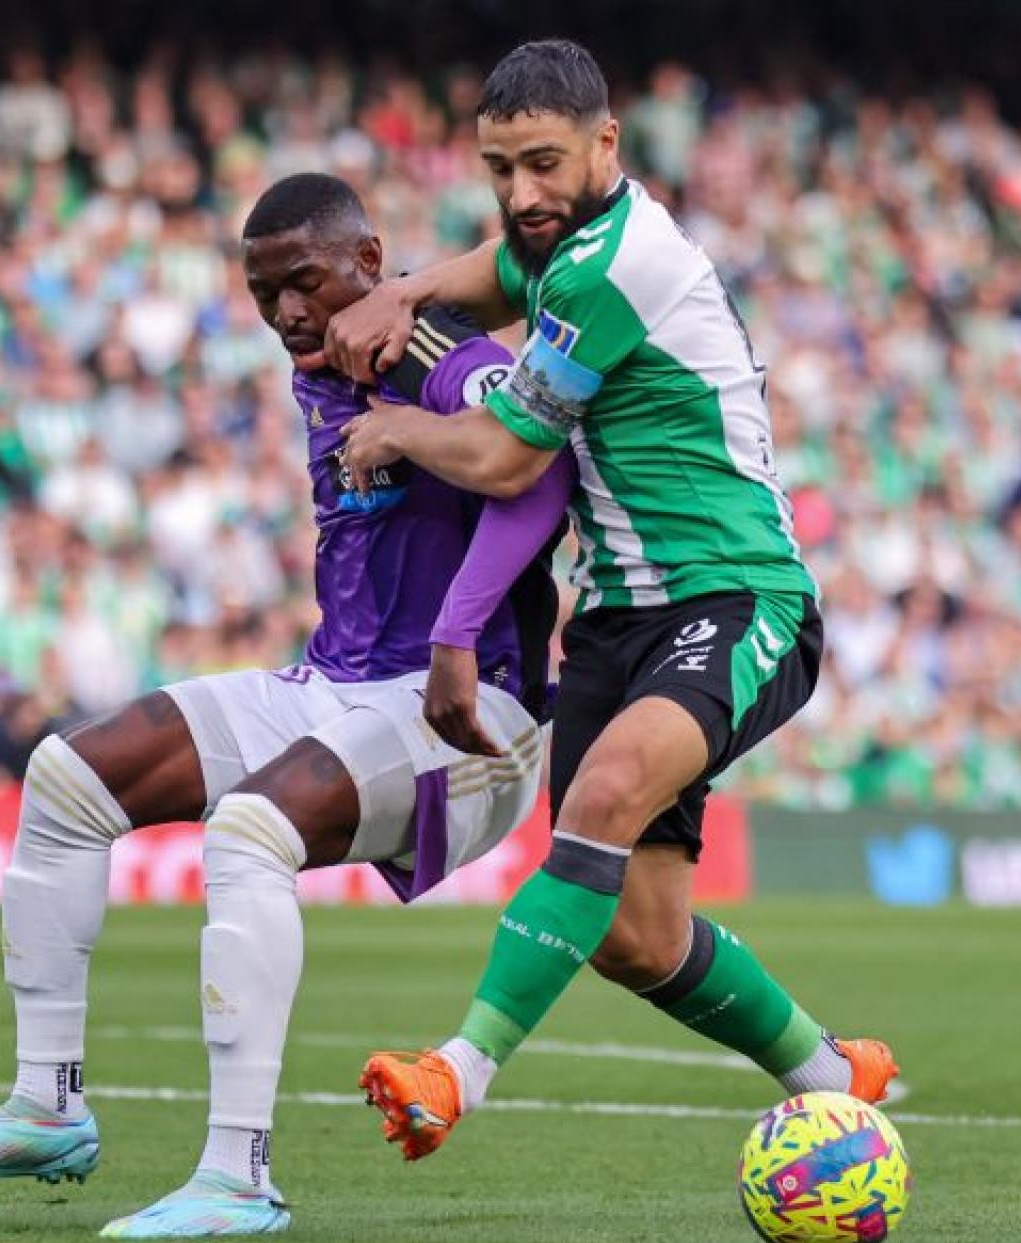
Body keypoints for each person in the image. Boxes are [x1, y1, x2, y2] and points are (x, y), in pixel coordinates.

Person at [0, 172, 573, 1236]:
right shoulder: (328, 357)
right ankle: (47, 1102)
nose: (288, 312)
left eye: (305, 282)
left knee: (250, 829)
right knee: (68, 777)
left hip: (473, 709)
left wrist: (413, 464)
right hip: (339, 684)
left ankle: (237, 1174)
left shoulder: (432, 347)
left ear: (368, 261)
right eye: (264, 295)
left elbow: (537, 471)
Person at [325, 40, 898, 1162]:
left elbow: (503, 459)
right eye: (500, 169)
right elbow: (504, 269)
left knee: (606, 791)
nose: (520, 193)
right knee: (636, 937)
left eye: (543, 164)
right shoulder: (561, 243)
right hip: (613, 620)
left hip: (735, 595)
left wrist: (395, 426)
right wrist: (405, 289)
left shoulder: (617, 263)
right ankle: (836, 1076)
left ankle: (456, 1070)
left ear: (606, 144)